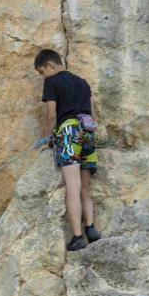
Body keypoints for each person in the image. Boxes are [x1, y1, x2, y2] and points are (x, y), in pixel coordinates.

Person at [35, 49, 101, 251]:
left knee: (72, 185)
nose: (43, 76)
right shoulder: (82, 82)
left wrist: (49, 139)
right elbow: (92, 111)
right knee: (84, 188)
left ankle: (77, 236)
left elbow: (51, 114)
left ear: (49, 65)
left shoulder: (52, 81)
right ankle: (90, 227)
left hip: (69, 131)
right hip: (87, 131)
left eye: (41, 72)